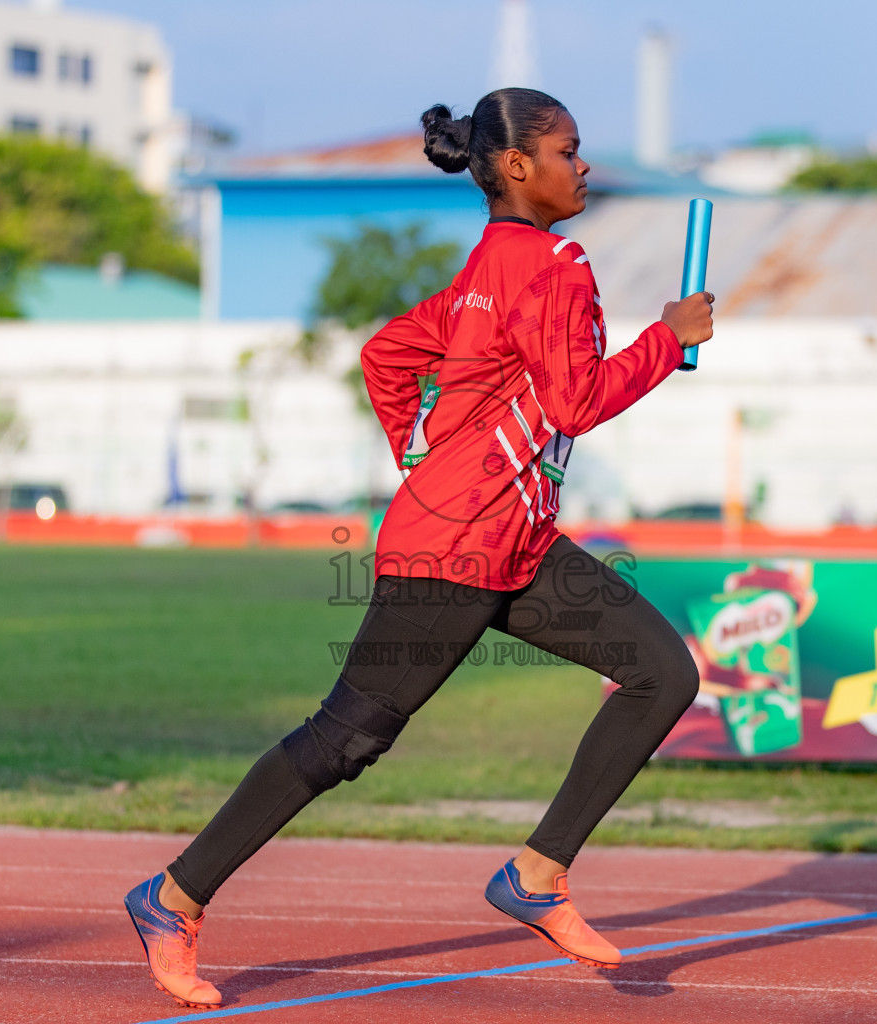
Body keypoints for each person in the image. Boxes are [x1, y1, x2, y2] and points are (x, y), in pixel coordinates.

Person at [123, 88, 715, 1010]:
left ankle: (538, 875)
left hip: (506, 538)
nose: (582, 165)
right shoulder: (554, 264)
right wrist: (665, 340)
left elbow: (388, 356)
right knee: (348, 738)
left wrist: (419, 452)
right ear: (518, 167)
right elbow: (576, 403)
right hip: (457, 543)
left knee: (662, 672)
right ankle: (172, 896)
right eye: (569, 150)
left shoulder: (487, 266)